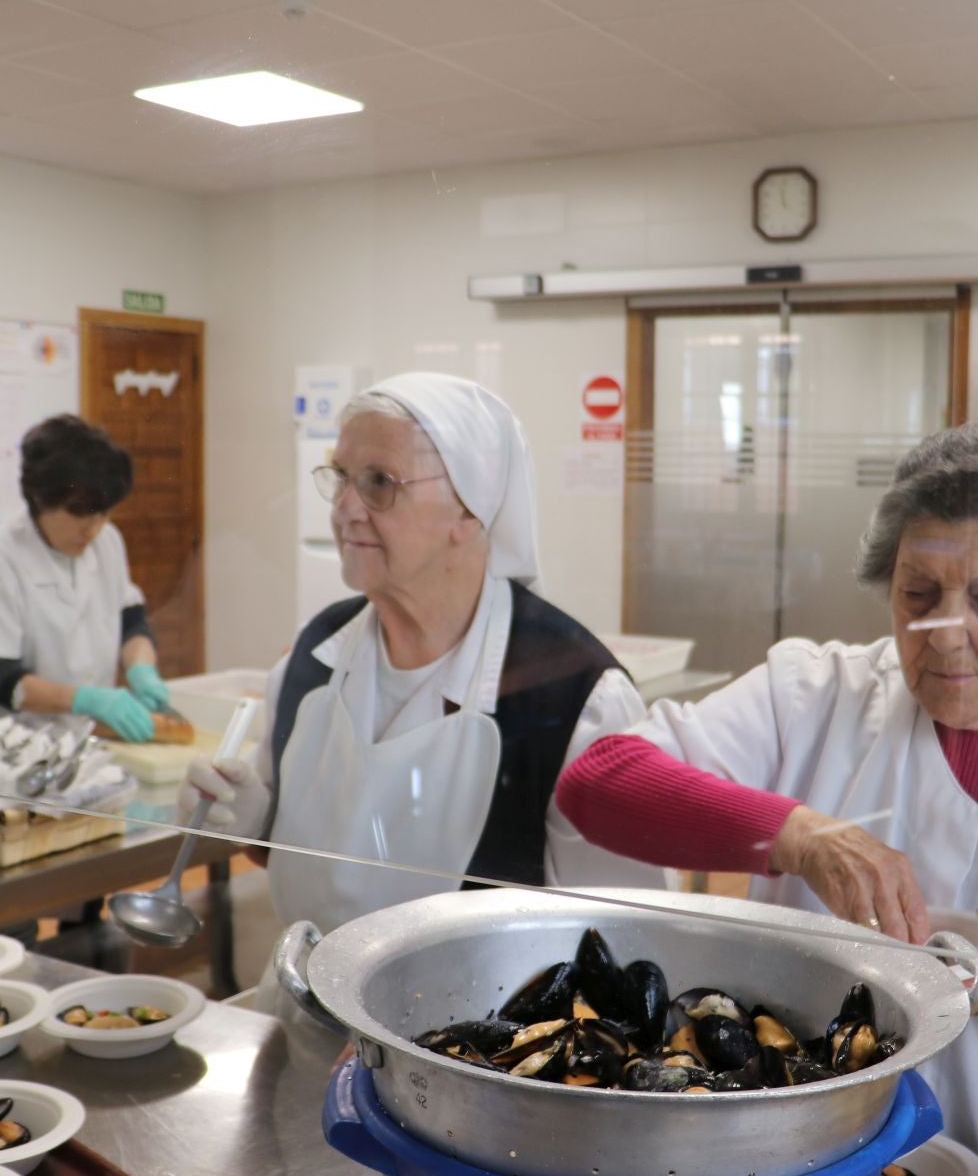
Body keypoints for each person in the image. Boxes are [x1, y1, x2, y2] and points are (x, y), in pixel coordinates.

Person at [556, 420, 978, 1170]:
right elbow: (597, 783)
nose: (943, 633)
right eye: (918, 593)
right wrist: (799, 837)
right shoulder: (813, 696)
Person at [178, 372, 667, 944]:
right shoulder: (313, 658)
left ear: (471, 510)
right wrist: (253, 819)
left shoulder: (577, 700)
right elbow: (307, 856)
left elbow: (627, 936)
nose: (345, 510)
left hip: (482, 1032)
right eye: (340, 478)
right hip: (305, 1017)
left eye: (379, 482)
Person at [0, 415, 172, 740]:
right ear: (40, 498)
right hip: (4, 742)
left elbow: (129, 619)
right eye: (79, 513)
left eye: (104, 513)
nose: (93, 528)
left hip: (76, 740)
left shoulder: (107, 541)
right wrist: (86, 700)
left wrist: (141, 669)